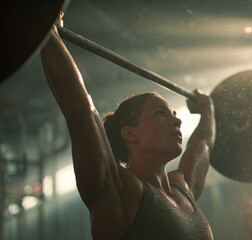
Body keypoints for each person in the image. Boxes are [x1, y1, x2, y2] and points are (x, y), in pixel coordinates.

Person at [40, 13, 215, 240]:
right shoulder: (117, 189)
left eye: (173, 113)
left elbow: (203, 144)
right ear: (130, 133)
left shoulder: (183, 186)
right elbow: (79, 110)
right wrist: (48, 34)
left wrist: (207, 110)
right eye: (161, 114)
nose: (177, 120)